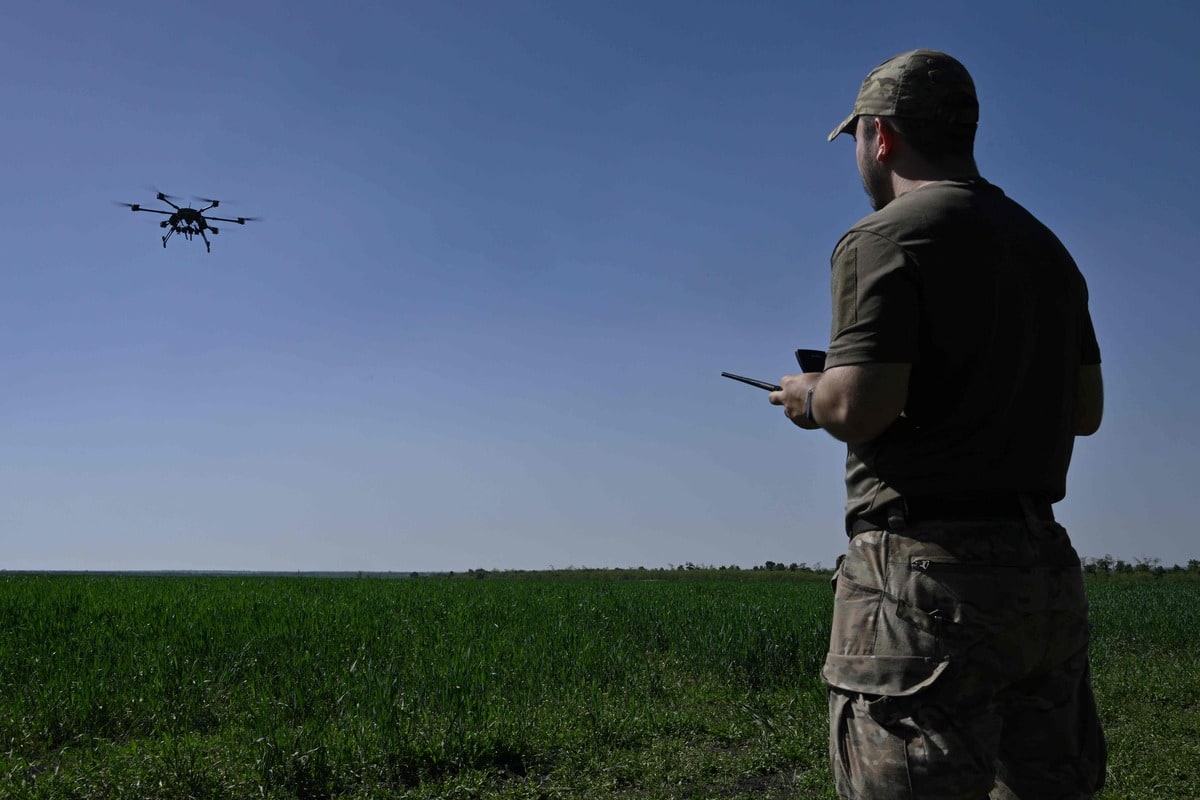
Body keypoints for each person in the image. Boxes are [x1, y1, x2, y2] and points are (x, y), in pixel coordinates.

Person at [768, 49, 1106, 799]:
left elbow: (861, 406)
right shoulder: (1047, 249)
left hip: (925, 580)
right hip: (1042, 573)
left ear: (880, 136)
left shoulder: (882, 238)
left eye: (856, 138)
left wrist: (808, 394)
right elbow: (1087, 412)